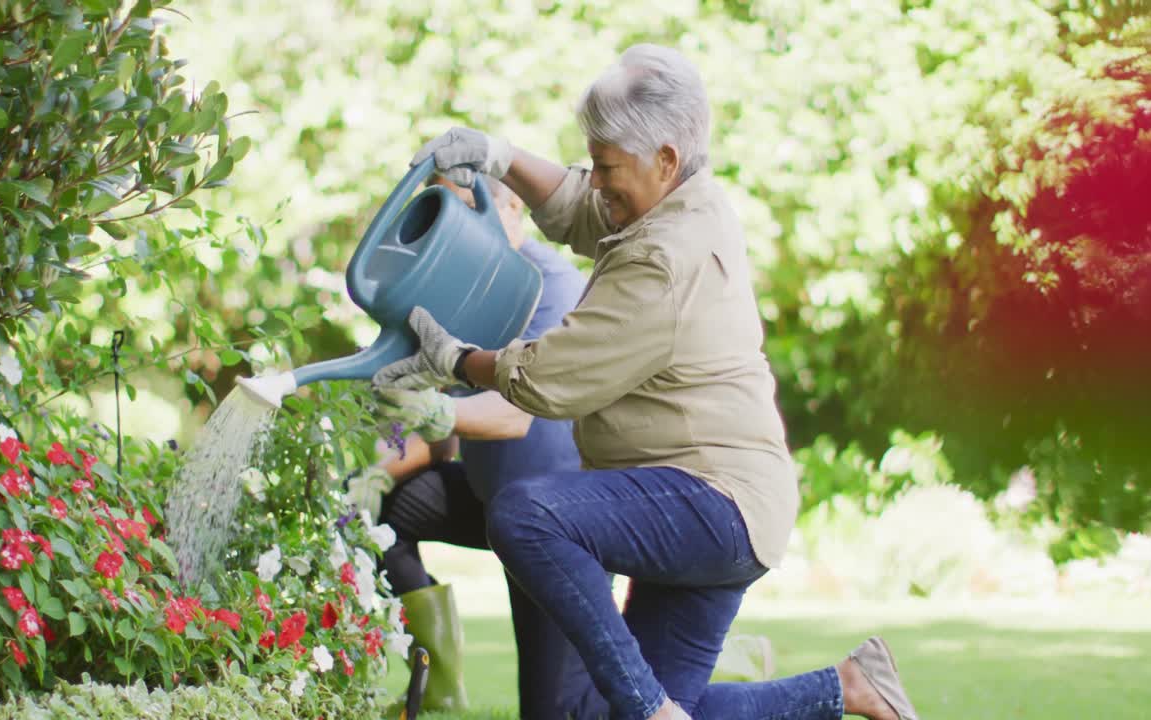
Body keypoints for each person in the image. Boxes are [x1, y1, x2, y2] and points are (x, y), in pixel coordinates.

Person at [373, 44, 922, 720]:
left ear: (664, 157)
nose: (597, 181)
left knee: (524, 514)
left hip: (710, 501)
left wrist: (454, 360)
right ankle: (844, 687)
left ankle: (650, 711)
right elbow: (581, 203)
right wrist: (499, 154)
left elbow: (549, 380)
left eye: (607, 166)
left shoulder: (668, 255)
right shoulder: (671, 200)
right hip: (720, 504)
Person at [347, 175, 606, 718]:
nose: (455, 231)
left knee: (555, 710)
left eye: (468, 210)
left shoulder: (548, 287)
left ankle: (731, 664)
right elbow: (435, 437)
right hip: (499, 504)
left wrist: (436, 409)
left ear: (513, 206)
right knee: (389, 515)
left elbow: (513, 416)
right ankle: (439, 677)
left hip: (562, 524)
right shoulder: (465, 290)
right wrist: (370, 476)